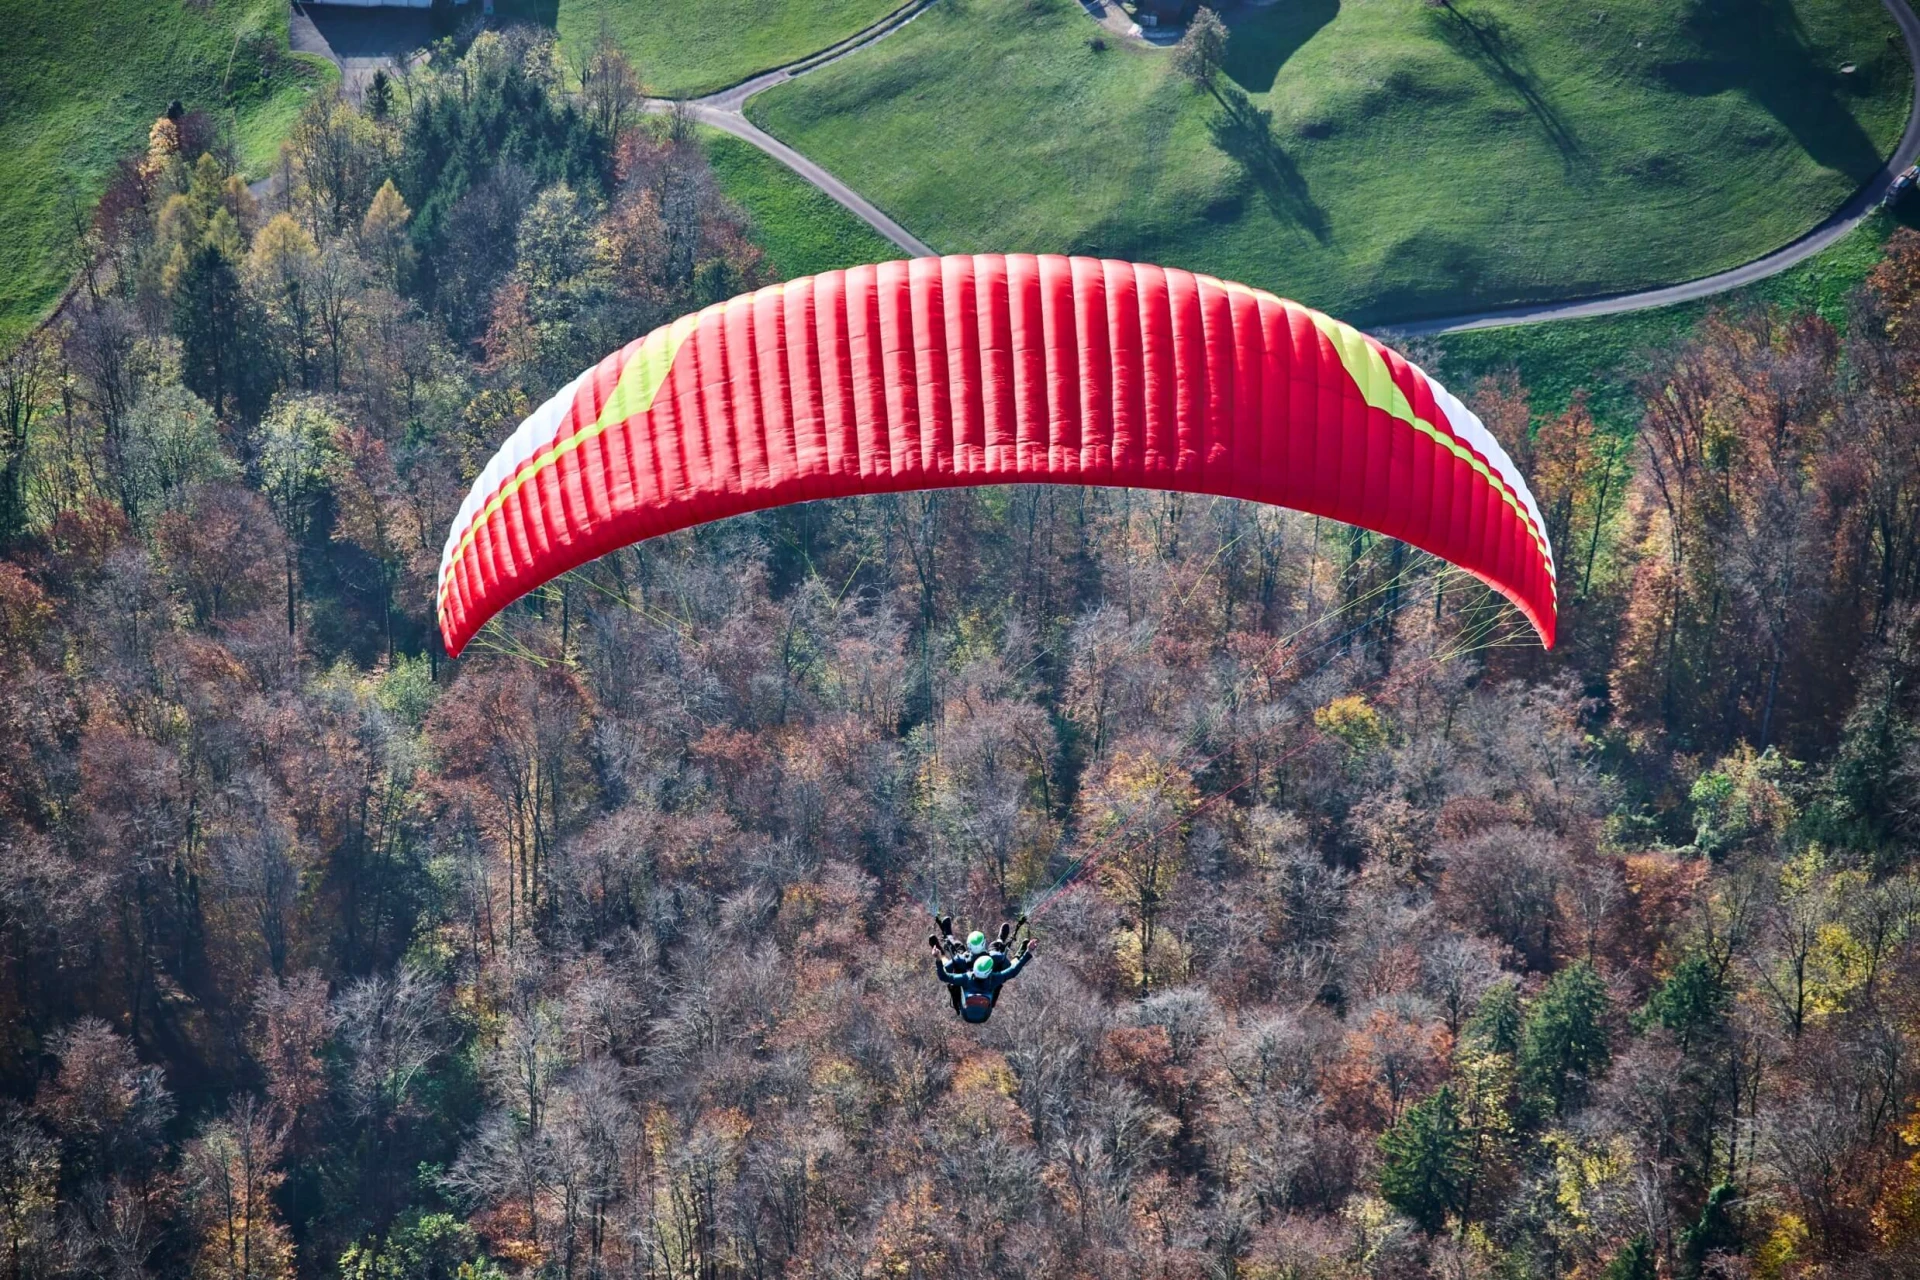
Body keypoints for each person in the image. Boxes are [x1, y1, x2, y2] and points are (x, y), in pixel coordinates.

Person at [936, 938, 1035, 1024]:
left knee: (955, 975)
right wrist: (1028, 952)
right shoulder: (994, 979)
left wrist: (938, 959)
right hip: (984, 1015)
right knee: (1000, 977)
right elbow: (1013, 970)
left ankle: (942, 955)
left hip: (966, 1013)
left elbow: (943, 976)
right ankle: (1017, 953)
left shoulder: (965, 978)